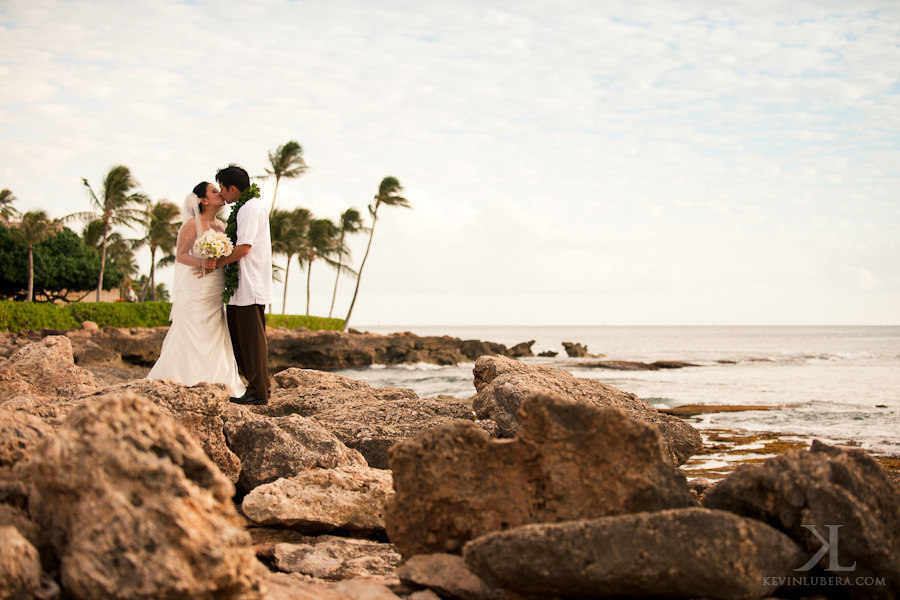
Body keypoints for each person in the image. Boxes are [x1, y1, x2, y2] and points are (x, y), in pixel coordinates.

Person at [146, 182, 247, 397]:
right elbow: (181, 255)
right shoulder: (193, 224)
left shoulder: (220, 225)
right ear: (203, 200)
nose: (220, 193)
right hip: (198, 286)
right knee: (192, 329)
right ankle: (184, 377)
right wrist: (202, 263)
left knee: (214, 330)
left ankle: (216, 378)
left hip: (216, 286)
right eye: (214, 191)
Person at [211, 164, 273, 406]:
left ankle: (258, 391)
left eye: (222, 189)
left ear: (233, 188)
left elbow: (244, 247)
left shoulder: (249, 208)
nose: (222, 194)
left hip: (250, 283)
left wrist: (216, 264)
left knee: (253, 340)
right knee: (241, 338)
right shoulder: (247, 207)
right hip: (241, 286)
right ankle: (258, 385)